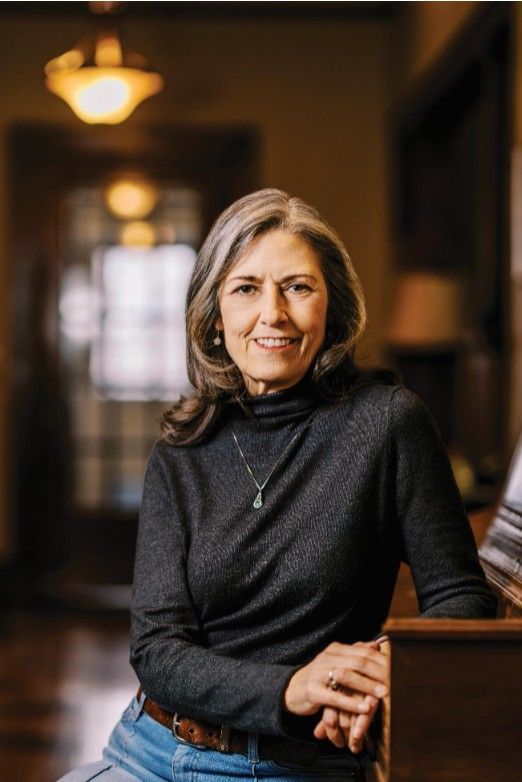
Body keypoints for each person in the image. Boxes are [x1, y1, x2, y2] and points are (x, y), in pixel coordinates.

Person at [59, 188, 497, 782]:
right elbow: (158, 649)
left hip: (299, 767)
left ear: (332, 308)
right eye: (245, 289)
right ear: (215, 315)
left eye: (297, 286)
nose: (273, 314)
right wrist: (292, 686)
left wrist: (381, 667)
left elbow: (462, 597)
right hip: (150, 749)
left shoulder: (389, 423)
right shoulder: (181, 452)